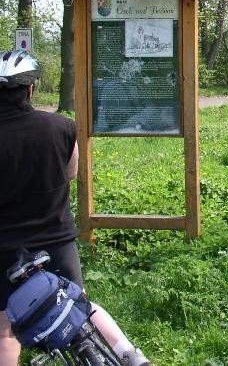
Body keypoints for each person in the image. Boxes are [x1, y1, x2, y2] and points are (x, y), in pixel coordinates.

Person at [0, 50, 151, 366]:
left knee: (4, 328)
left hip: (5, 248)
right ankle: (131, 357)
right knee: (79, 304)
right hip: (56, 240)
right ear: (30, 90)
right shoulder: (61, 127)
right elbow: (70, 173)